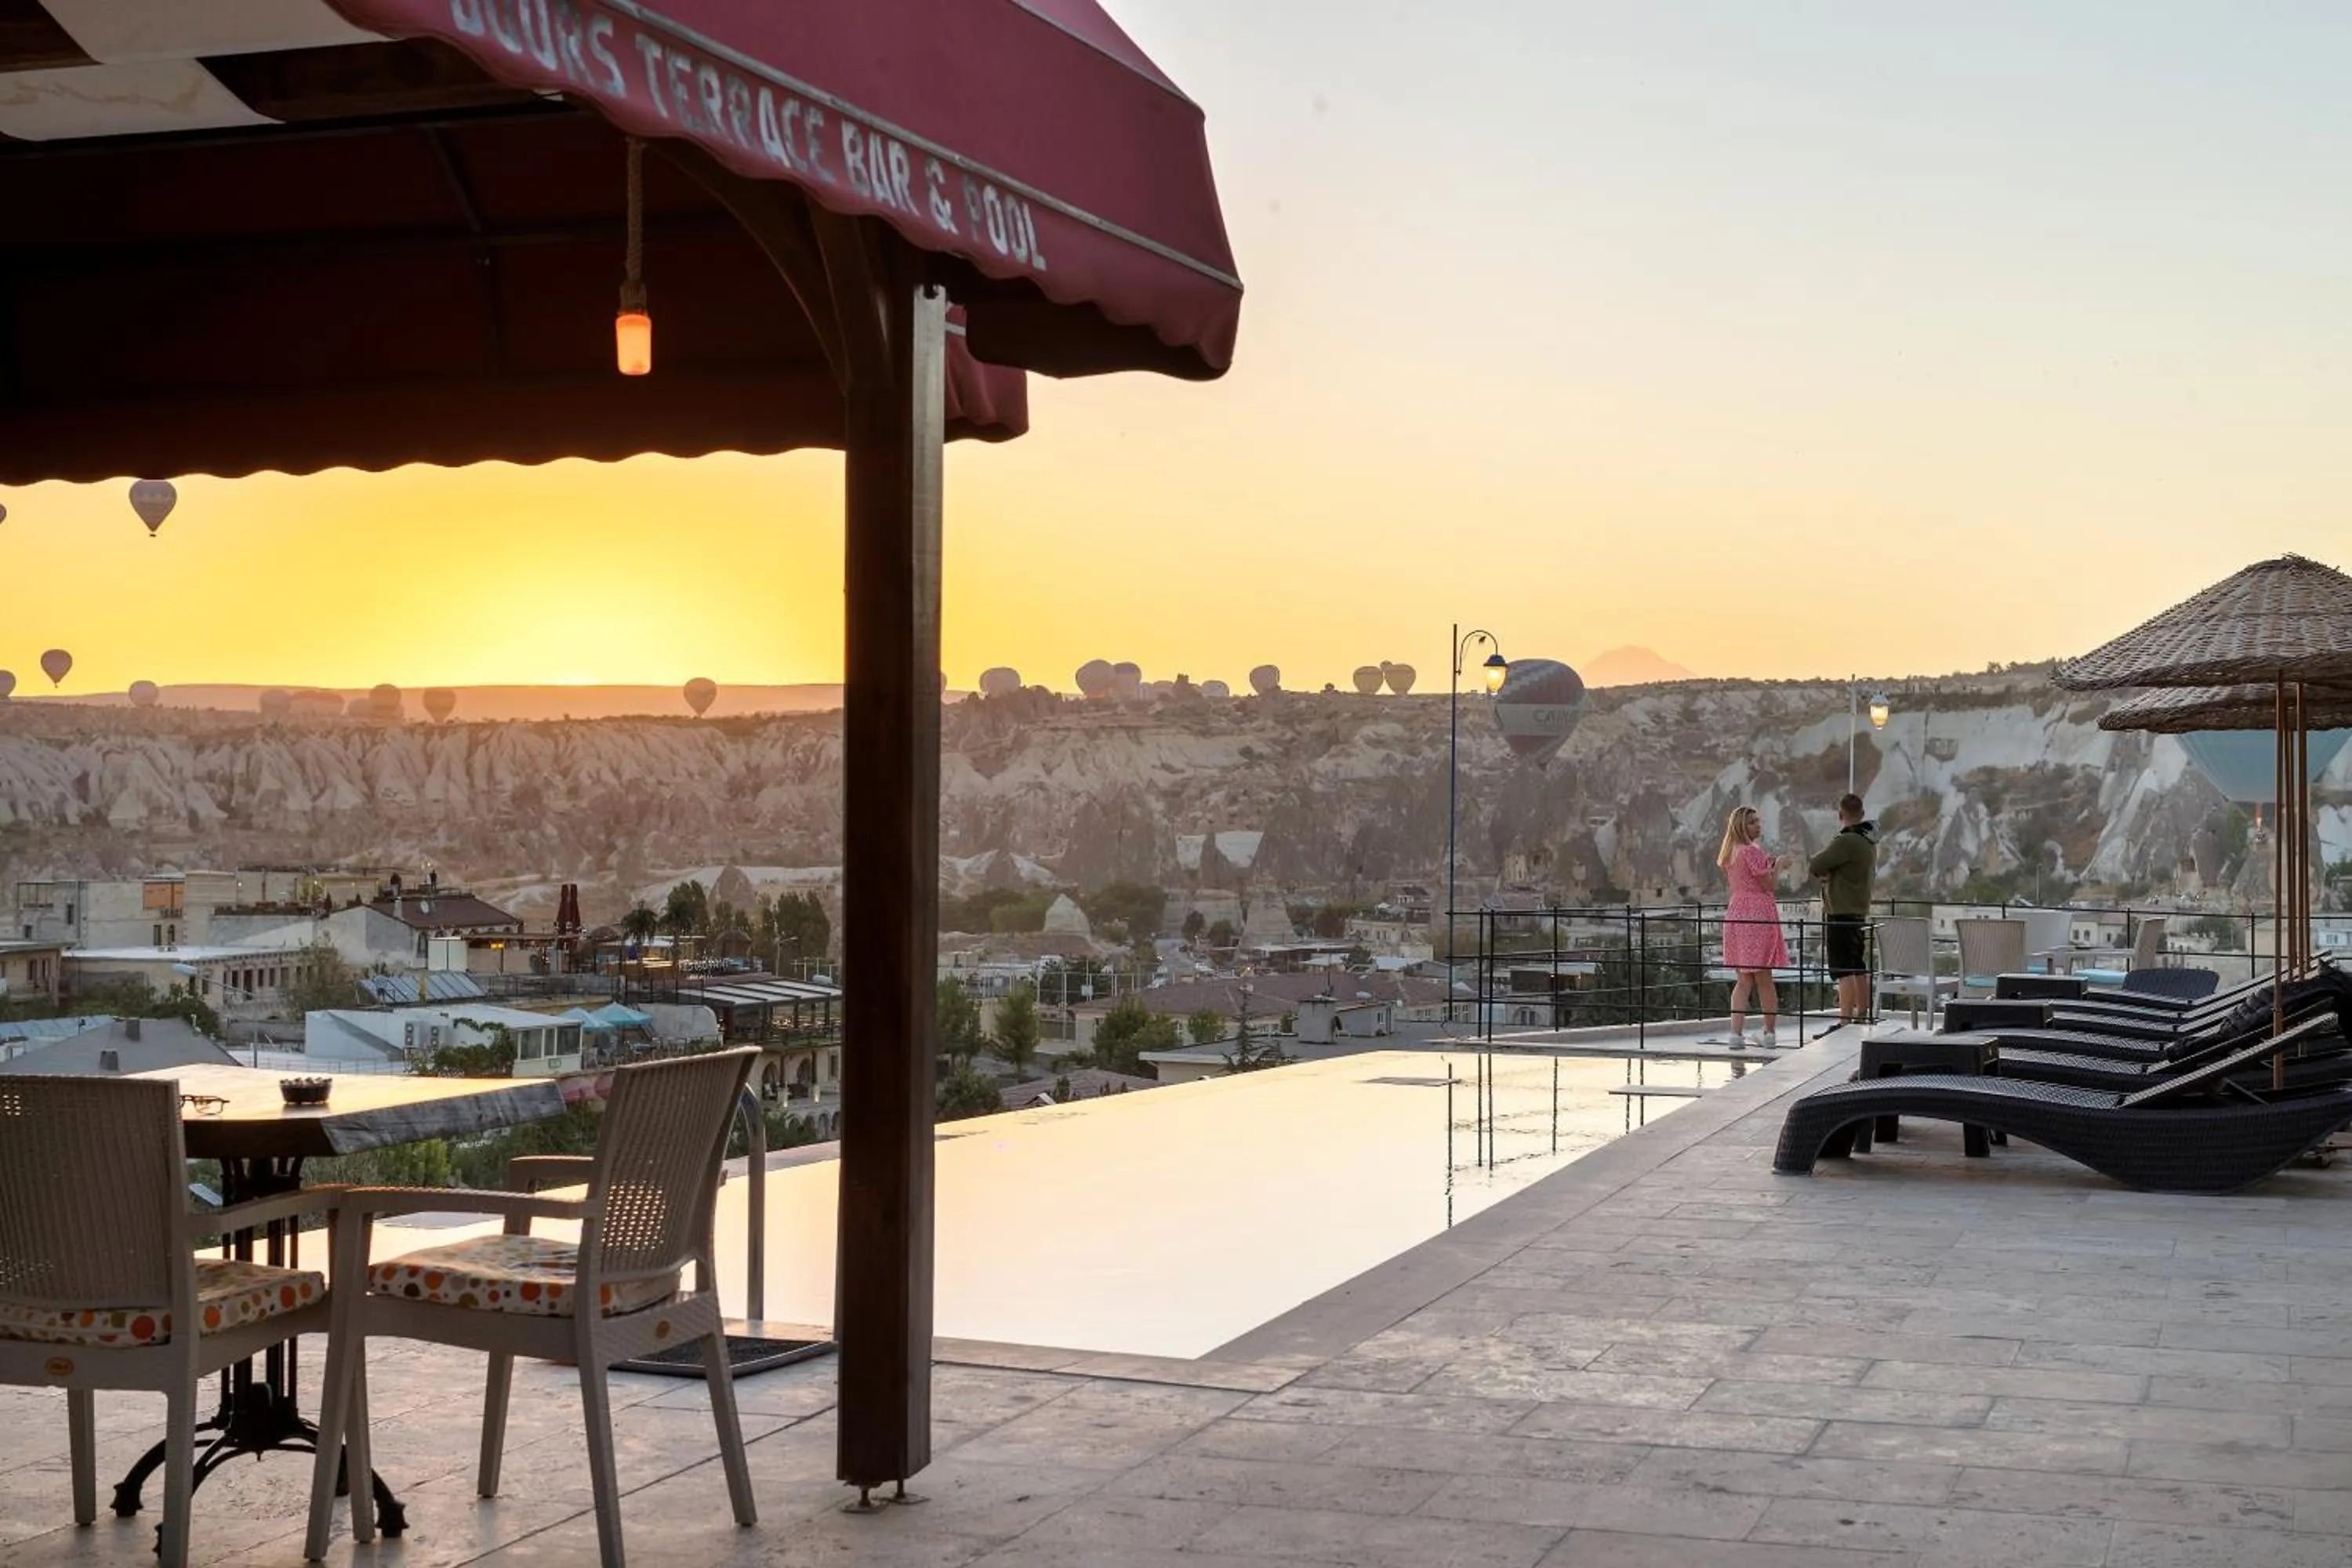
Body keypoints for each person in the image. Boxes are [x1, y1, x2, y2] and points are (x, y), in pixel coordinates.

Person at [1717, 805, 1798, 1048]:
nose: (1758, 825)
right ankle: (1769, 1034)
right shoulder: (1751, 852)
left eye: (1758, 821)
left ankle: (1735, 1034)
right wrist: (1780, 866)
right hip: (1757, 913)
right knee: (1764, 978)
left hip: (1737, 912)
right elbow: (1769, 885)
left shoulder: (1731, 852)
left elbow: (1746, 880)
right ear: (1742, 825)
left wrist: (1768, 864)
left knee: (1743, 980)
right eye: (1752, 822)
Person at [1809, 792, 1880, 1026]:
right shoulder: (1868, 841)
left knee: (1843, 969)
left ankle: (1844, 1022)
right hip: (1858, 911)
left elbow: (1817, 865)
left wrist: (1828, 873)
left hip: (1840, 912)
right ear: (1861, 814)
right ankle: (1862, 1014)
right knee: (1857, 965)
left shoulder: (1846, 841)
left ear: (1840, 815)